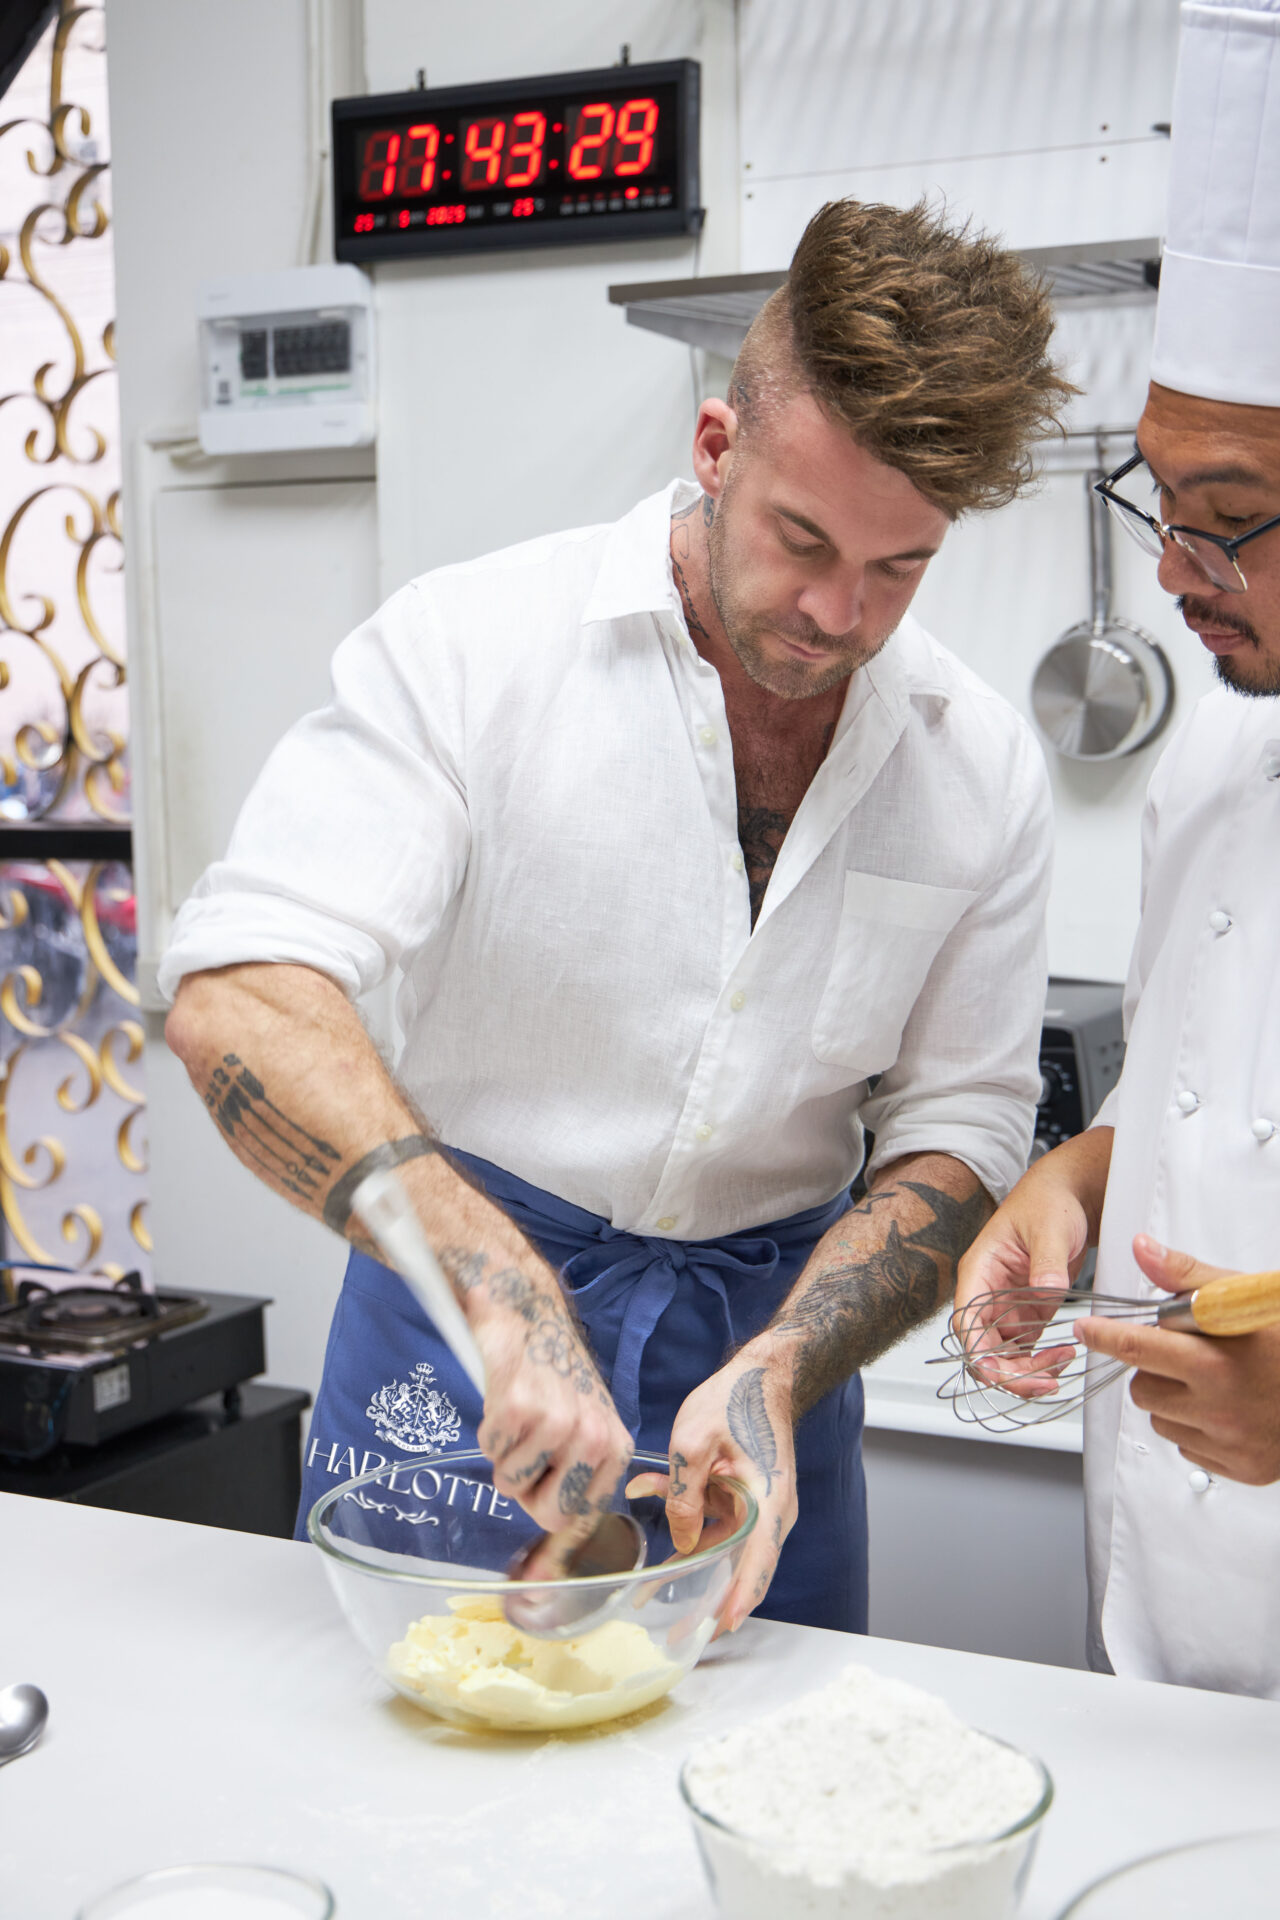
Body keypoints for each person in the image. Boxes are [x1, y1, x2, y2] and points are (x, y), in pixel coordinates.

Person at [162, 196, 1070, 1634]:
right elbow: (242, 988)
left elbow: (960, 1130)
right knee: (420, 1783)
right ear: (715, 448)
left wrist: (780, 1374)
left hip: (773, 1370)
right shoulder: (472, 652)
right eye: (803, 538)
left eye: (899, 568)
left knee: (769, 1792)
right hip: (462, 1334)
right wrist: (500, 1290)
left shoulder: (979, 767)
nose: (840, 613)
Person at [955, 0, 1280, 1697]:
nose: (1174, 574)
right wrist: (1064, 1187)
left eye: (1230, 522)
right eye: (1163, 505)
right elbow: (1191, 1089)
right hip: (1161, 1617)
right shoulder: (1219, 734)